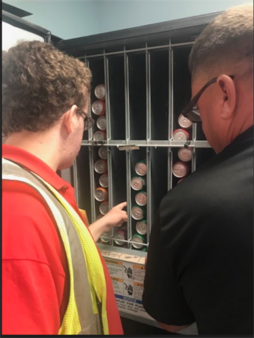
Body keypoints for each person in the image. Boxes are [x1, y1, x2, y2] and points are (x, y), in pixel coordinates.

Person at [2, 40, 128, 335]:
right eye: (85, 117)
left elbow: (57, 258)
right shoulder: (18, 215)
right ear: (72, 119)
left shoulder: (34, 189)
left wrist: (100, 225)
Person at [142, 3, 253, 335]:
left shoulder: (187, 205)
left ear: (224, 94)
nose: (201, 128)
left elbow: (171, 320)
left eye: (197, 112)